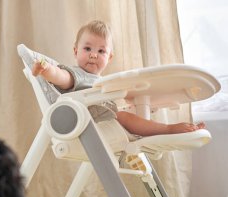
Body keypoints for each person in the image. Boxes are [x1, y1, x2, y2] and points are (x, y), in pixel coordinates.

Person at [32, 20, 205, 136]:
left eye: (101, 51)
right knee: (124, 116)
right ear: (76, 51)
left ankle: (175, 127)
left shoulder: (100, 81)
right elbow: (61, 77)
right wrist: (47, 69)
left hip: (106, 116)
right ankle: (168, 129)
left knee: (129, 110)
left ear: (109, 57)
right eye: (87, 49)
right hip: (92, 122)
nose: (93, 55)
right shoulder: (77, 74)